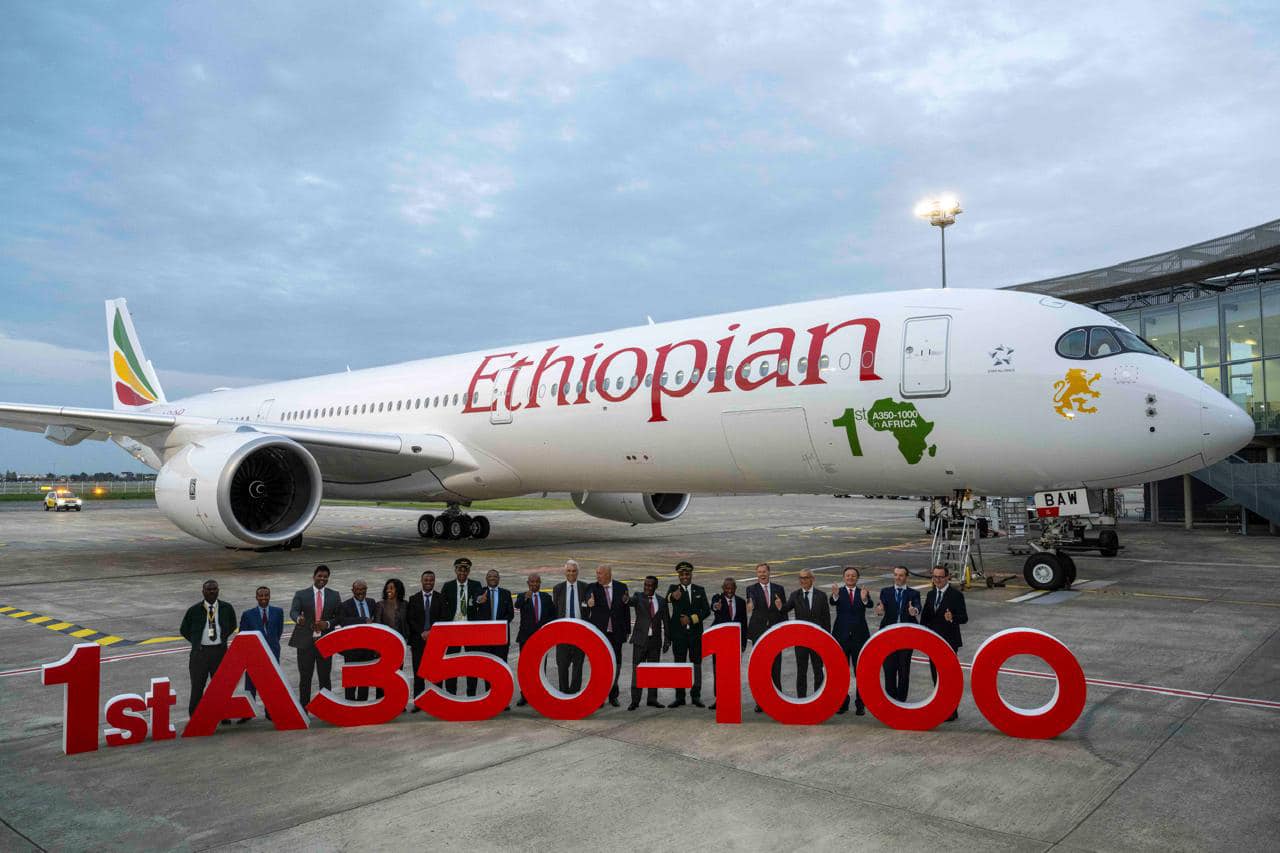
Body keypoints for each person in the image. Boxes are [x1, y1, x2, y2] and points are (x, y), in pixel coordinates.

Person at [179, 579, 237, 722]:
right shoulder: (193, 610)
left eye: (214, 589)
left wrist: (222, 639)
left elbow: (232, 625)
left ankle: (223, 716)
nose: (212, 592)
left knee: (220, 687)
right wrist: (197, 642)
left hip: (220, 652)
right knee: (197, 687)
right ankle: (195, 718)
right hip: (200, 654)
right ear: (203, 592)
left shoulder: (226, 608)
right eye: (208, 589)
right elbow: (184, 629)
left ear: (218, 591)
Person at [289, 565, 343, 707]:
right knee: (305, 678)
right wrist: (298, 619)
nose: (322, 579)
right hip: (305, 643)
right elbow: (293, 611)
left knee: (325, 678)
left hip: (325, 642)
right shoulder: (301, 594)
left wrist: (328, 623)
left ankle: (326, 708)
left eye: (325, 577)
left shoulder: (334, 595)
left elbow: (339, 616)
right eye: (320, 576)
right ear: (314, 577)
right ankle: (304, 708)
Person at [920, 565, 968, 721]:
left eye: (940, 577)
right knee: (936, 676)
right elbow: (925, 618)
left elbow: (964, 618)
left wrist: (952, 617)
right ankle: (941, 708)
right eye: (935, 577)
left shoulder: (956, 595)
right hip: (933, 642)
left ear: (947, 577)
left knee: (948, 678)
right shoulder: (931, 594)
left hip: (949, 642)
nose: (937, 580)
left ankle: (952, 711)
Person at [829, 566, 874, 715]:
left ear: (857, 578)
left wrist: (864, 599)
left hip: (859, 638)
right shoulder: (839, 592)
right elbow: (832, 602)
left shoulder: (862, 591)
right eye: (847, 575)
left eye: (853, 576)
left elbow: (870, 604)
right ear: (844, 578)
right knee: (842, 672)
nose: (850, 578)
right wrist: (835, 595)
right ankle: (842, 702)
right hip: (841, 637)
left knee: (860, 671)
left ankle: (860, 704)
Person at [665, 561, 710, 708]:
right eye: (682, 574)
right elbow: (666, 600)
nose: (685, 576)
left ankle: (696, 696)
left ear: (691, 574)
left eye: (687, 574)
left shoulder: (699, 590)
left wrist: (691, 619)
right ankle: (680, 697)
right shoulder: (674, 588)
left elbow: (706, 610)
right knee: (679, 664)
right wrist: (672, 596)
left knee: (696, 664)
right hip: (679, 635)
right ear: (678, 576)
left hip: (695, 634)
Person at [585, 564, 630, 707]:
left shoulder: (622, 587)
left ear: (609, 574)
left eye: (600, 573)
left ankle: (613, 696)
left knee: (616, 665)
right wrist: (589, 602)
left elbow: (626, 611)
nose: (597, 576)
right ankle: (600, 697)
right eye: (597, 573)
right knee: (599, 667)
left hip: (616, 634)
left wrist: (627, 630)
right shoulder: (592, 587)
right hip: (600, 635)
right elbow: (587, 598)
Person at [436, 558, 483, 696]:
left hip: (469, 629)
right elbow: (442, 607)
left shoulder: (475, 585)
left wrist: (479, 600)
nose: (462, 572)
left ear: (469, 571)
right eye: (460, 570)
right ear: (455, 570)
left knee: (471, 663)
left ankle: (471, 694)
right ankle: (451, 694)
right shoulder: (448, 586)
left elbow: (478, 597)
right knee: (451, 662)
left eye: (465, 570)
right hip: (453, 629)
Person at [236, 585, 283, 722]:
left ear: (270, 596)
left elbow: (278, 631)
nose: (263, 598)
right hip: (254, 655)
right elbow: (243, 634)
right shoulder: (248, 614)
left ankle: (270, 712)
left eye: (266, 595)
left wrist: (271, 644)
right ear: (256, 597)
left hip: (272, 652)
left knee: (271, 684)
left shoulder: (278, 612)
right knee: (250, 684)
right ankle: (247, 713)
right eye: (261, 596)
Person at [744, 562, 787, 712]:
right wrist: (750, 605)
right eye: (759, 572)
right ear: (757, 574)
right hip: (759, 632)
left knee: (776, 666)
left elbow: (783, 611)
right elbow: (751, 602)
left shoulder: (779, 589)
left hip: (775, 632)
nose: (762, 574)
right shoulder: (751, 589)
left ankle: (777, 698)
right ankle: (761, 701)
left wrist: (784, 629)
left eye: (764, 571)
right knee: (761, 667)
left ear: (769, 572)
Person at [875, 565, 921, 703]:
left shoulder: (913, 593)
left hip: (906, 636)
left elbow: (917, 606)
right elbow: (881, 606)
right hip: (888, 636)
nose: (898, 578)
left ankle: (901, 701)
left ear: (906, 577)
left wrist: (914, 611)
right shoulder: (885, 591)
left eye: (901, 575)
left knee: (904, 670)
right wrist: (879, 610)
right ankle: (891, 701)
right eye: (895, 575)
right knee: (889, 669)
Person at [473, 569, 515, 708]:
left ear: (499, 579)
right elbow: (474, 604)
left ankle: (503, 700)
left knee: (501, 668)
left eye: (495, 576)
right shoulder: (480, 592)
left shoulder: (506, 593)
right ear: (486, 579)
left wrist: (499, 626)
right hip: (485, 638)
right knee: (488, 669)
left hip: (501, 637)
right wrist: (479, 600)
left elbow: (510, 614)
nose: (493, 578)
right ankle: (490, 698)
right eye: (490, 576)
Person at [786, 569, 831, 699]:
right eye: (801, 578)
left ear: (812, 579)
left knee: (818, 671)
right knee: (801, 672)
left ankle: (819, 699)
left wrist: (826, 639)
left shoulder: (821, 595)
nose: (803, 580)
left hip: (818, 640)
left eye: (805, 578)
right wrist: (779, 606)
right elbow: (785, 609)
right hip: (801, 641)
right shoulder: (795, 595)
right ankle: (801, 699)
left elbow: (826, 619)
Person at [628, 575, 670, 710]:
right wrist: (626, 599)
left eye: (650, 585)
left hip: (655, 642)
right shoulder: (638, 597)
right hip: (640, 641)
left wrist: (667, 640)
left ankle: (652, 699)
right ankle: (635, 701)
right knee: (637, 672)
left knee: (653, 671)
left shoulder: (662, 601)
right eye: (645, 585)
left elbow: (666, 622)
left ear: (656, 586)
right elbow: (630, 601)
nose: (647, 587)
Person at [515, 573, 556, 706]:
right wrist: (525, 598)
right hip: (525, 638)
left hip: (542, 638)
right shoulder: (522, 596)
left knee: (541, 667)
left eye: (537, 582)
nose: (534, 584)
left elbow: (553, 614)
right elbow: (517, 605)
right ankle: (525, 695)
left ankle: (539, 694)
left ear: (540, 583)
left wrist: (547, 629)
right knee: (526, 668)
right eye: (532, 582)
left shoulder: (546, 597)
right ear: (528, 583)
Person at [708, 577, 747, 711]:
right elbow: (713, 606)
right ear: (723, 588)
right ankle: (718, 699)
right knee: (718, 672)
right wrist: (716, 606)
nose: (729, 590)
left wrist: (743, 644)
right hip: (719, 643)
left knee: (733, 673)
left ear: (735, 588)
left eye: (731, 588)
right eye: (726, 588)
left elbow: (744, 623)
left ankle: (731, 698)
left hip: (735, 643)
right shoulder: (717, 598)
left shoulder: (741, 602)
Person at [552, 560, 590, 693]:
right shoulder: (558, 588)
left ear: (578, 572)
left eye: (574, 571)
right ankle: (563, 693)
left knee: (578, 667)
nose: (571, 573)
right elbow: (555, 610)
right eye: (569, 571)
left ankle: (574, 693)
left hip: (580, 632)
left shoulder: (585, 587)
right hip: (563, 633)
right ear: (565, 572)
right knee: (562, 666)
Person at [405, 570, 439, 710]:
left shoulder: (440, 598)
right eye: (426, 580)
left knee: (437, 673)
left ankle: (437, 701)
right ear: (421, 581)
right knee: (418, 672)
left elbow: (443, 617)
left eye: (431, 580)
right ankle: (418, 702)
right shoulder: (414, 598)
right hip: (418, 641)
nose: (428, 582)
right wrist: (422, 632)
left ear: (434, 581)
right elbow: (410, 619)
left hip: (435, 640)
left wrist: (432, 632)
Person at [338, 579, 377, 702]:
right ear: (352, 590)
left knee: (365, 681)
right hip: (352, 650)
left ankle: (362, 705)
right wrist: (363, 620)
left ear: (366, 590)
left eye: (363, 589)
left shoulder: (371, 602)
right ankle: (350, 705)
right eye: (358, 589)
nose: (360, 592)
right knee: (351, 682)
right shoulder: (345, 605)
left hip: (368, 649)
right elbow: (343, 622)